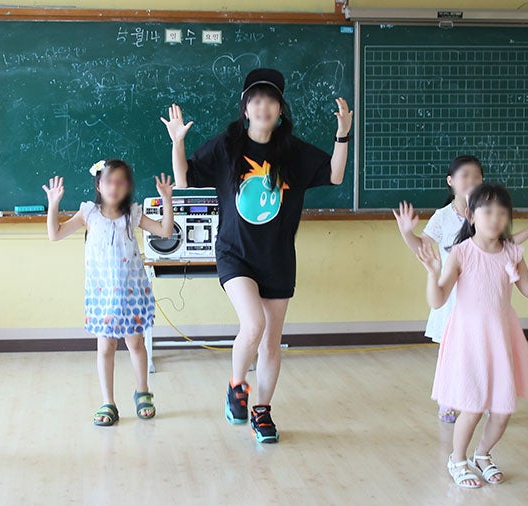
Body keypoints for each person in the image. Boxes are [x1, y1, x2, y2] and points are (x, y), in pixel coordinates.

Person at [161, 68, 353, 443]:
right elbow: (184, 180)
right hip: (235, 254)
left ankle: (262, 411)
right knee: (253, 325)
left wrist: (342, 134)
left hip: (277, 258)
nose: (263, 106)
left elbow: (334, 175)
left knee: (270, 342)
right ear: (246, 109)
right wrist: (177, 143)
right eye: (256, 100)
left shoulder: (292, 151)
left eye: (271, 101)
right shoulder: (227, 146)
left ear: (280, 110)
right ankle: (237, 386)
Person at [416, 182, 528, 488]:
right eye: (487, 211)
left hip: (500, 340)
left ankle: (482, 454)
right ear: (471, 216)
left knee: (502, 409)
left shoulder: (511, 253)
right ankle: (457, 459)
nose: (495, 218)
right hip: (469, 341)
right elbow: (437, 300)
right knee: (472, 406)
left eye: (502, 212)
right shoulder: (461, 252)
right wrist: (433, 274)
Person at [393, 155, 528, 422]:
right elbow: (423, 247)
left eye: (477, 176)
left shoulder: (487, 212)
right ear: (451, 181)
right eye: (465, 176)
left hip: (480, 296)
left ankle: (483, 397)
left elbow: (503, 246)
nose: (472, 180)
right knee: (455, 353)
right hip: (453, 295)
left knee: (483, 349)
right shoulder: (443, 216)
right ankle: (449, 400)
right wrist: (406, 233)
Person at [42, 160, 174, 425]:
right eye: (109, 181)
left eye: (121, 182)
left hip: (131, 292)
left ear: (128, 187)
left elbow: (165, 230)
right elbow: (55, 234)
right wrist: (53, 204)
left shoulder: (132, 214)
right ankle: (108, 402)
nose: (114, 187)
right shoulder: (88, 213)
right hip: (103, 294)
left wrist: (167, 201)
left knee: (136, 343)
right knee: (106, 347)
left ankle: (143, 392)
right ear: (98, 185)